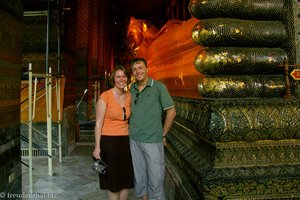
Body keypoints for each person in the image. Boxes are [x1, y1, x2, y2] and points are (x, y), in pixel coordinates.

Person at [129, 58, 176, 200]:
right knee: (140, 178)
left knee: (155, 180)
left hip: (153, 141)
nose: (138, 71)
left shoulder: (158, 87)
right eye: (135, 69)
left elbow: (171, 112)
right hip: (134, 139)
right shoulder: (132, 88)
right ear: (132, 72)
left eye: (140, 67)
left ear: (147, 69)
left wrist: (163, 134)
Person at [92, 65, 134, 200]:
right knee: (113, 178)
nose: (121, 79)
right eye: (118, 76)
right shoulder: (105, 97)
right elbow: (98, 124)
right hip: (109, 141)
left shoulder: (129, 96)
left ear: (127, 78)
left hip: (126, 141)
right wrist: (97, 146)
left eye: (124, 76)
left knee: (126, 177)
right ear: (113, 79)